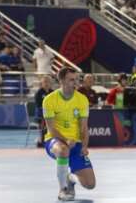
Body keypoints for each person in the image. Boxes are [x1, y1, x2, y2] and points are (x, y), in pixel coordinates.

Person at [43, 67, 96, 201]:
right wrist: (66, 140)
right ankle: (63, 189)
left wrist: (84, 146)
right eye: (71, 80)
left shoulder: (82, 100)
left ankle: (70, 178)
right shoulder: (49, 100)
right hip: (55, 140)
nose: (75, 83)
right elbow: (51, 129)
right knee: (63, 150)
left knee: (90, 184)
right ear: (61, 80)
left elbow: (84, 127)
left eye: (76, 79)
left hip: (76, 143)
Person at [34, 75, 53, 147]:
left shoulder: (53, 92)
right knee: (44, 119)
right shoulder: (38, 93)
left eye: (48, 82)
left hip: (52, 114)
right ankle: (41, 140)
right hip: (41, 114)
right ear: (41, 83)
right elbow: (38, 105)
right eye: (45, 82)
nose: (46, 83)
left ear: (51, 83)